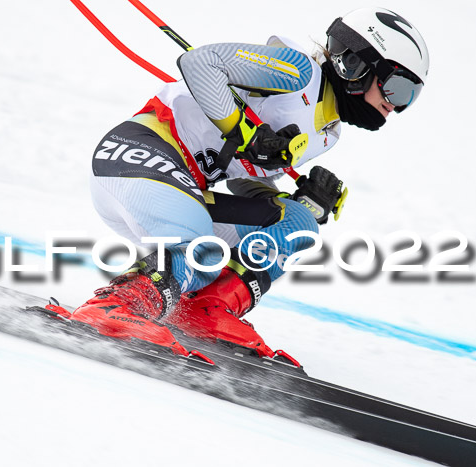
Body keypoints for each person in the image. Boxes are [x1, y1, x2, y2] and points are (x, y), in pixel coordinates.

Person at [63, 7, 429, 358]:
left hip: (181, 187)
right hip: (136, 156)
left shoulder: (326, 134)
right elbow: (199, 63)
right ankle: (114, 305)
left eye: (410, 98)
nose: (396, 106)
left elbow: (244, 179)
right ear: (357, 65)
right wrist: (246, 133)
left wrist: (302, 201)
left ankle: (206, 310)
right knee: (201, 250)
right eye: (397, 88)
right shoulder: (297, 70)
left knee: (297, 224)